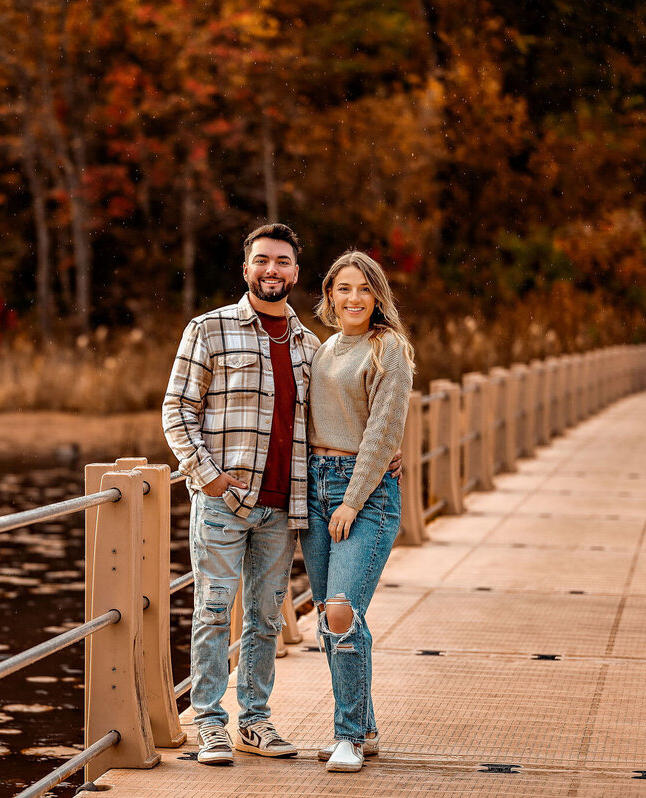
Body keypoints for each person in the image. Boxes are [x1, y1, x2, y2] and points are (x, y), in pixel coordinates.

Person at [162, 223, 319, 765]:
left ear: (296, 273)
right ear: (245, 268)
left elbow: (327, 423)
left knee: (266, 619)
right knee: (211, 610)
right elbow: (177, 409)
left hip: (283, 505)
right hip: (224, 503)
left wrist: (383, 447)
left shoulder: (310, 346)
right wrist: (205, 475)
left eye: (282, 262)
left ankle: (255, 721)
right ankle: (209, 723)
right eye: (261, 260)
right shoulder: (209, 329)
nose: (271, 270)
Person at [301, 250, 415, 773]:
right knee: (332, 617)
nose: (353, 299)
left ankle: (345, 735)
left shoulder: (388, 348)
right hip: (315, 484)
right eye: (343, 289)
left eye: (364, 289)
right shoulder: (323, 350)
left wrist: (352, 499)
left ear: (378, 297)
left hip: (363, 493)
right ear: (329, 295)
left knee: (343, 608)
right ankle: (364, 727)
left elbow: (383, 431)